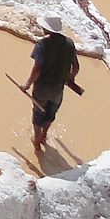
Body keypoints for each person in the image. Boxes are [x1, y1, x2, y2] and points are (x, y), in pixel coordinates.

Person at [23, 12, 84, 161]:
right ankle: (44, 136)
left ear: (47, 29)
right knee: (51, 112)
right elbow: (76, 67)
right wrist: (70, 79)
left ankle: (37, 143)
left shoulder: (42, 45)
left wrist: (27, 84)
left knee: (38, 114)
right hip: (58, 88)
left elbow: (37, 68)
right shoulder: (69, 44)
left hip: (42, 88)